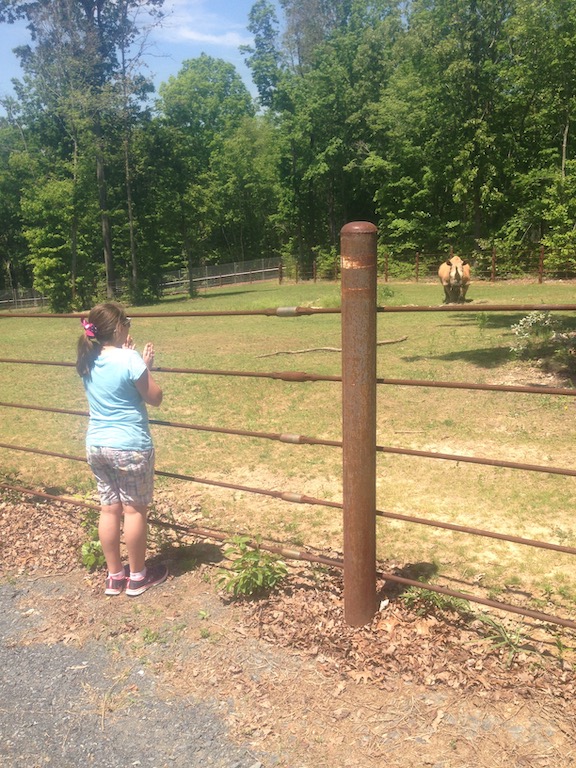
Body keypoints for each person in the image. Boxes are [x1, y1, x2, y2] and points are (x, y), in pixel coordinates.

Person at [76, 301, 168, 597]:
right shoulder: (130, 360)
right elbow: (155, 397)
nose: (130, 325)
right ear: (118, 328)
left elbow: (113, 384)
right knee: (134, 510)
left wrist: (133, 359)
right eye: (127, 321)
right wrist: (143, 366)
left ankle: (115, 577)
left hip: (97, 445)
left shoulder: (87, 359)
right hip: (130, 446)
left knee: (109, 509)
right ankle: (138, 577)